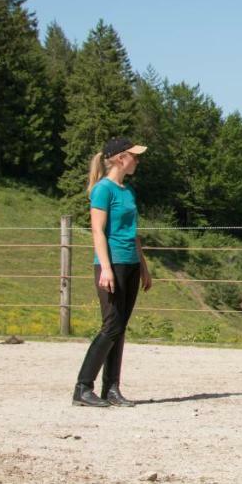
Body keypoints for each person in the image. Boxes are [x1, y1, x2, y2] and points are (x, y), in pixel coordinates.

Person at [72, 137, 152, 407]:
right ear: (120, 158)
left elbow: (133, 234)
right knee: (111, 326)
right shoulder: (102, 190)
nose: (137, 160)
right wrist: (105, 267)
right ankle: (83, 388)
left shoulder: (127, 191)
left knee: (120, 328)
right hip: (112, 264)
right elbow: (97, 230)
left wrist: (144, 267)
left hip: (129, 263)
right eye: (134, 156)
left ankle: (111, 389)